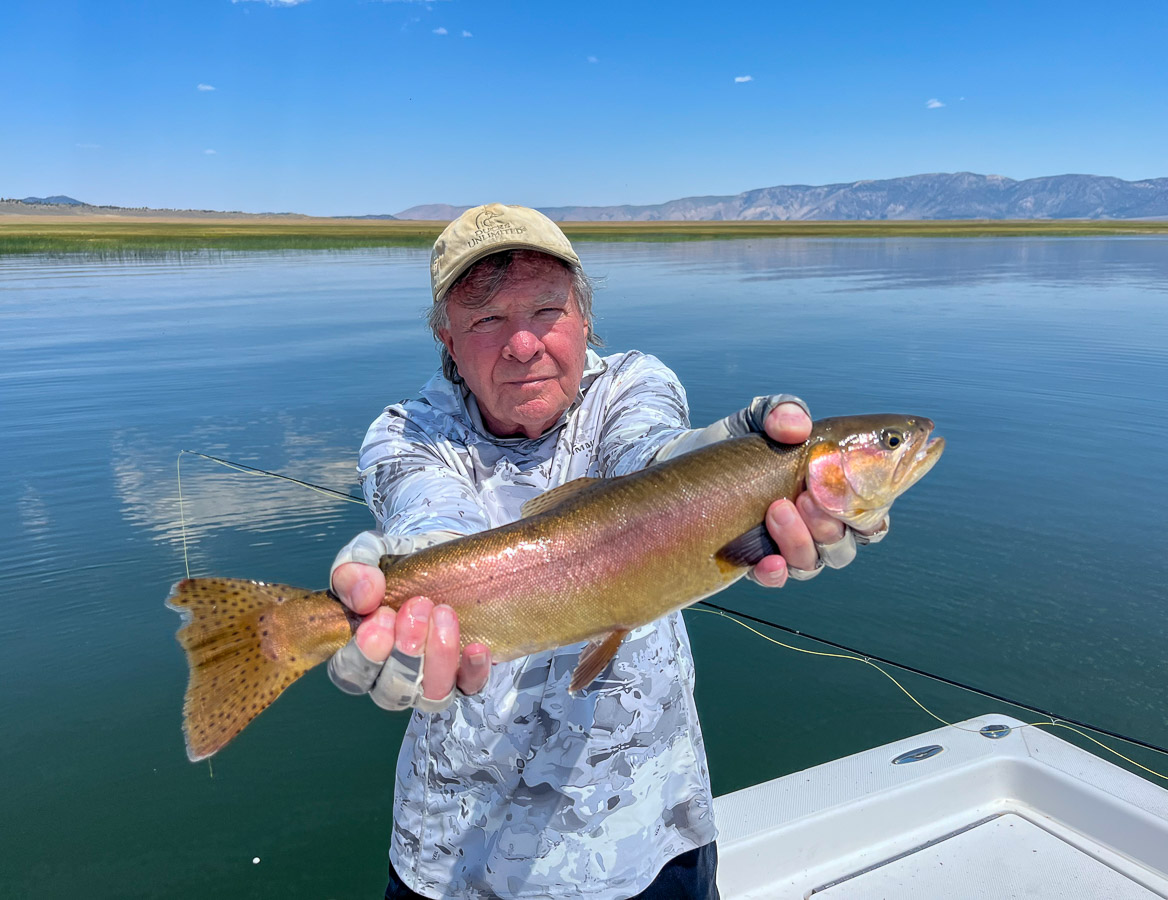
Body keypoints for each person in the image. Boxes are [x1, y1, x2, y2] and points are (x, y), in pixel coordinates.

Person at [326, 204, 885, 900]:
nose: (524, 345)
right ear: (446, 337)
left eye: (546, 311)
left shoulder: (631, 385)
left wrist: (731, 467)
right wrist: (386, 596)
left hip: (650, 838)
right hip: (459, 860)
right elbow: (430, 522)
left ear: (585, 317)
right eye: (487, 320)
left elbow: (652, 456)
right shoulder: (406, 433)